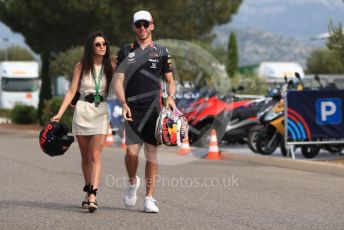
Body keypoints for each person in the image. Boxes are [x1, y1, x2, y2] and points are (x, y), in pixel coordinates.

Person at [114, 10, 176, 213]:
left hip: (154, 110)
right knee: (131, 153)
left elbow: (170, 80)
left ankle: (150, 198)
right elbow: (119, 80)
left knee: (151, 156)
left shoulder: (161, 51)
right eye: (138, 24)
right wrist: (122, 103)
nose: (142, 28)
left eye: (145, 24)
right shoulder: (125, 51)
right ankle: (133, 182)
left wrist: (170, 97)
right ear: (133, 27)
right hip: (132, 109)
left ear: (152, 26)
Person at [51, 31, 114, 213]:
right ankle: (88, 190)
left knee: (95, 155)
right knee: (85, 156)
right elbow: (71, 91)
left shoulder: (110, 66)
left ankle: (93, 195)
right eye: (98, 44)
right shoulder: (81, 66)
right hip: (82, 111)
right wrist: (59, 113)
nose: (102, 46)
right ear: (90, 47)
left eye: (105, 43)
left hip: (101, 111)